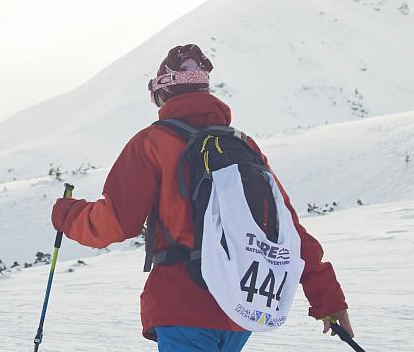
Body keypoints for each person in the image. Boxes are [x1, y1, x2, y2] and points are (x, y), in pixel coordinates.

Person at [51, 45, 351, 351]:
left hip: (182, 303)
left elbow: (115, 224)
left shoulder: (152, 143)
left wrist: (67, 215)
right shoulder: (243, 146)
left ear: (163, 93)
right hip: (238, 308)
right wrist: (328, 299)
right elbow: (290, 230)